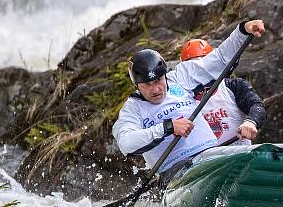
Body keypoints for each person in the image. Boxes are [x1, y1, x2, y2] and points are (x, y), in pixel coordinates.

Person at [112, 20, 266, 181]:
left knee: (256, 155)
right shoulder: (131, 109)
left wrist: (243, 31)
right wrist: (168, 127)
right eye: (147, 85)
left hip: (214, 156)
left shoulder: (179, 78)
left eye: (158, 81)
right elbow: (126, 144)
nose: (156, 89)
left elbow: (219, 58)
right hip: (177, 174)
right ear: (137, 85)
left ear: (164, 74)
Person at [180, 38, 266, 146]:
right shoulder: (180, 99)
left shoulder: (234, 86)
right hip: (208, 160)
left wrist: (251, 122)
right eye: (194, 67)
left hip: (240, 155)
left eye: (204, 65)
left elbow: (257, 105)